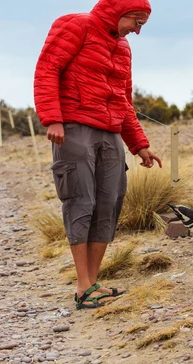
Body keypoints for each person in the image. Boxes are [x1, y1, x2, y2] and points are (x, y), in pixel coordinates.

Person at [33, 0, 162, 310]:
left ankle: (91, 283)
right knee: (81, 200)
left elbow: (123, 100)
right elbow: (47, 69)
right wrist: (52, 117)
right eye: (136, 21)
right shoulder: (76, 25)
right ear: (120, 11)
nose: (138, 30)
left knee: (110, 201)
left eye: (142, 24)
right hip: (75, 127)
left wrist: (139, 145)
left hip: (111, 132)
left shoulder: (123, 49)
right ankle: (82, 285)